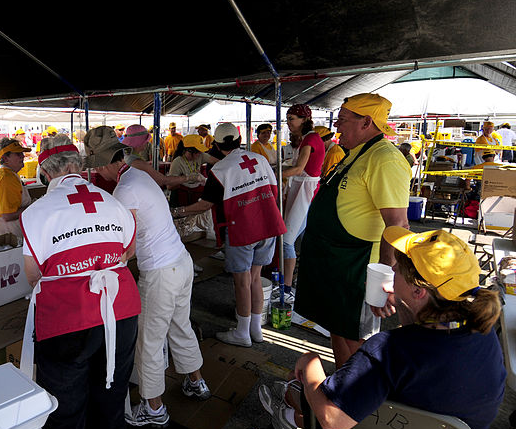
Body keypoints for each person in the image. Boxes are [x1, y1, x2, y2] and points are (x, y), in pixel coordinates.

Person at [260, 227, 505, 429]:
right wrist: (402, 300)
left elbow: (332, 420)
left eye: (398, 267)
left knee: (310, 384)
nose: (393, 268)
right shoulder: (483, 331)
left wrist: (309, 362)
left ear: (419, 291)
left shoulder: (388, 351)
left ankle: (289, 411)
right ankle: (290, 412)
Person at [19, 134, 140, 429]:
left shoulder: (37, 212)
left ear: (44, 171)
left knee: (64, 410)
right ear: (79, 164)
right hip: (120, 311)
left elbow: (33, 277)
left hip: (68, 319)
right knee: (110, 396)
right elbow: (129, 252)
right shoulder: (112, 201)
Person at [86, 126, 210, 428]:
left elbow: (126, 248)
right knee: (180, 325)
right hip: (180, 262)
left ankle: (153, 407)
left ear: (103, 165)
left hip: (161, 271)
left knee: (149, 340)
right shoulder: (138, 175)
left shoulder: (124, 190)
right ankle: (197, 381)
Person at [294, 93, 410, 368]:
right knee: (338, 329)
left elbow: (398, 224)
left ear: (367, 122)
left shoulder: (385, 159)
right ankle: (342, 387)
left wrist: (384, 277)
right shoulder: (356, 154)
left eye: (343, 120)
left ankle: (353, 399)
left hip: (358, 266)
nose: (337, 127)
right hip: (335, 261)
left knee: (357, 340)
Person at [175, 123, 286, 347]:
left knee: (242, 282)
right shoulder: (260, 159)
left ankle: (243, 333)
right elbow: (275, 191)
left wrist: (177, 212)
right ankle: (256, 329)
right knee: (255, 278)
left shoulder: (221, 170)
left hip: (243, 229)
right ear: (239, 140)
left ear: (216, 144)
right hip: (268, 224)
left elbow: (205, 204)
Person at [279, 105, 326, 304]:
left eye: (292, 119)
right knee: (295, 236)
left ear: (304, 119)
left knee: (287, 240)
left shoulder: (310, 139)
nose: (289, 123)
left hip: (305, 191)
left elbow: (299, 169)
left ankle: (286, 288)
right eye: (288, 119)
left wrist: (275, 174)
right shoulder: (308, 139)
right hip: (302, 188)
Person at [121, 124, 200, 190]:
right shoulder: (136, 161)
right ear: (139, 141)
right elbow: (162, 180)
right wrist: (188, 178)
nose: (147, 143)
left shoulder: (128, 155)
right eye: (145, 141)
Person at [0, 137, 31, 236]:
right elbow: (7, 216)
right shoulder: (7, 178)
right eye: (18, 154)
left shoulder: (8, 175)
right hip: (6, 233)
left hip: (6, 231)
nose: (22, 156)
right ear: (5, 158)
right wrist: (32, 208)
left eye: (22, 153)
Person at [167, 134, 209, 207]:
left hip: (194, 198)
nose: (201, 154)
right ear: (190, 151)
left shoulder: (200, 156)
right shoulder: (178, 162)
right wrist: (186, 179)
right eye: (198, 152)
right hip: (180, 200)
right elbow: (169, 186)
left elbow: (217, 161)